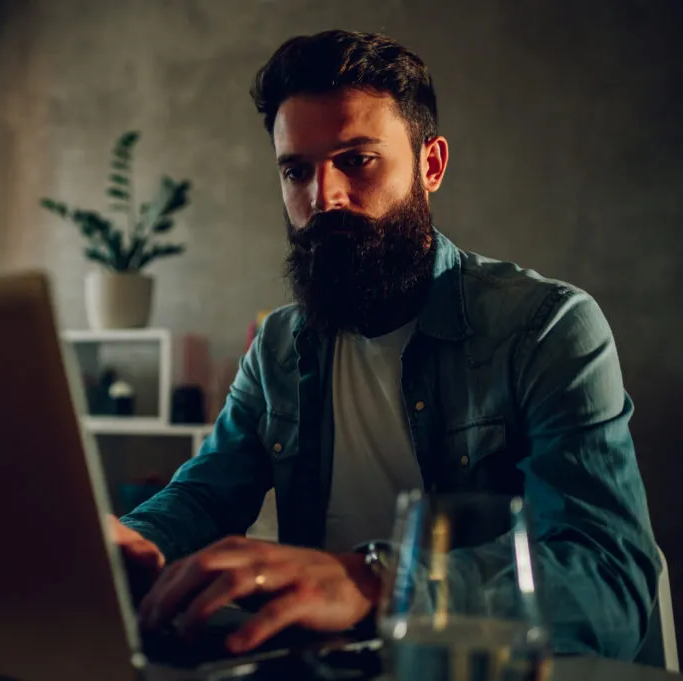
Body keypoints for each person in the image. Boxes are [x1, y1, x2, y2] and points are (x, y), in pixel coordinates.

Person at [110, 29, 660, 660]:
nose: (324, 198)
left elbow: (609, 579)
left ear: (430, 164)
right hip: (323, 668)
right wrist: (129, 544)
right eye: (296, 171)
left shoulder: (549, 328)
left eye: (356, 159)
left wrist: (376, 581)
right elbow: (206, 494)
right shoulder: (280, 345)